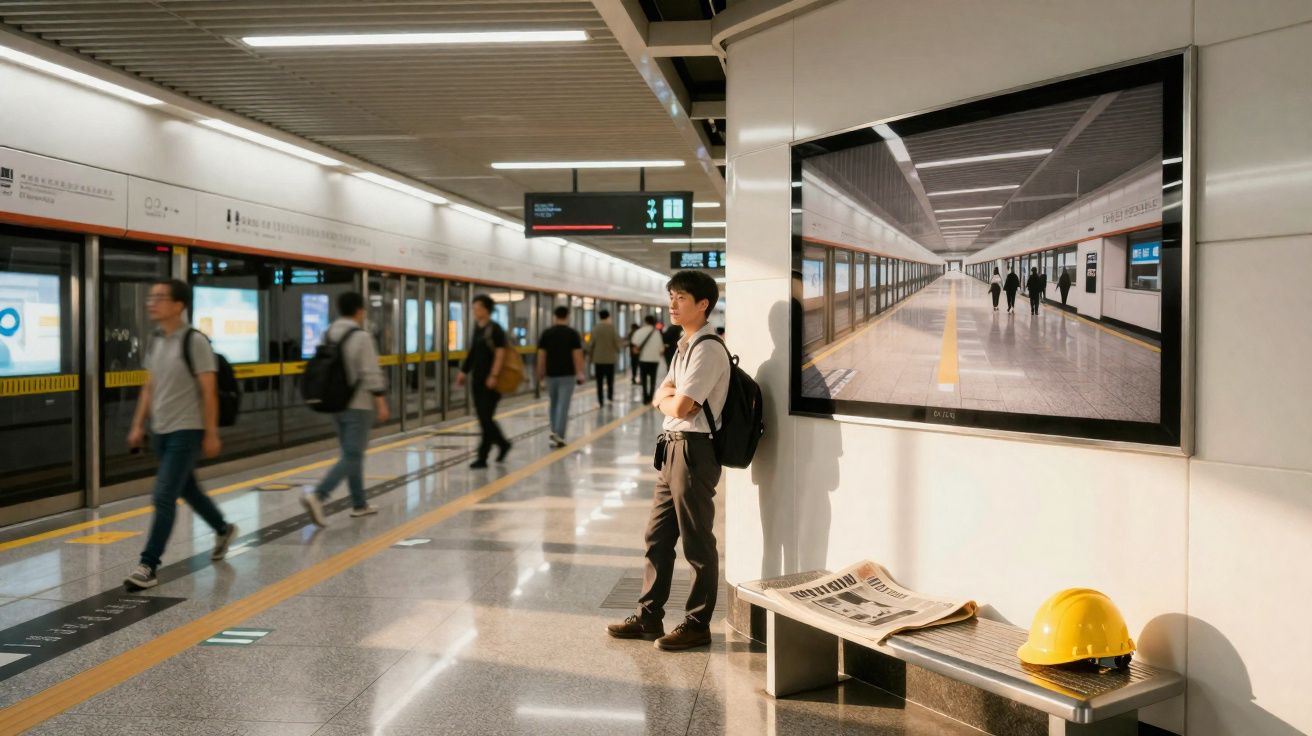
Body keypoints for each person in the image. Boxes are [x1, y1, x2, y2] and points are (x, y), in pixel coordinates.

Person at [607, 270, 729, 651]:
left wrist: (665, 400)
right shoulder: (685, 344)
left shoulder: (708, 348)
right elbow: (665, 392)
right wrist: (667, 398)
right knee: (657, 536)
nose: (672, 304)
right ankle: (648, 616)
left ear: (703, 304)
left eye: (681, 298)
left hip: (694, 451)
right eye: (671, 296)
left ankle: (697, 623)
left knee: (696, 542)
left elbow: (680, 402)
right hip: (673, 446)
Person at [124, 279, 237, 590]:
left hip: (186, 430)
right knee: (189, 489)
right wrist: (138, 424)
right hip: (161, 430)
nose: (152, 302)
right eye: (152, 296)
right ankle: (223, 528)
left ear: (178, 305)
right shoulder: (157, 340)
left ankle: (148, 564)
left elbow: (209, 390)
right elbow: (150, 386)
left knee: (163, 496)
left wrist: (211, 432)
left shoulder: (195, 341)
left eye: (160, 297)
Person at [300, 291, 390, 528]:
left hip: (336, 404)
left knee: (352, 454)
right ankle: (318, 496)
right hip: (358, 405)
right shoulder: (361, 337)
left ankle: (359, 504)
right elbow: (371, 372)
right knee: (352, 455)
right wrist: (380, 401)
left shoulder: (328, 333)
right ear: (359, 311)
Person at [457, 294, 512, 469]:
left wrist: (494, 375)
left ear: (486, 309)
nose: (474, 310)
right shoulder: (477, 328)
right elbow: (473, 352)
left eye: (477, 307)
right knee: (483, 418)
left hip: (492, 381)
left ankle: (483, 456)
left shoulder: (495, 329)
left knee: (486, 417)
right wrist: (464, 371)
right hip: (477, 380)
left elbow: (500, 353)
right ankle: (502, 444)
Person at [536, 306, 586, 447]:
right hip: (567, 375)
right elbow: (577, 355)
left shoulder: (547, 333)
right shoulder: (572, 334)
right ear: (567, 316)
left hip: (551, 375)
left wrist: (540, 374)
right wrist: (580, 373)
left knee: (553, 404)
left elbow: (541, 356)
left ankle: (554, 432)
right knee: (563, 405)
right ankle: (559, 435)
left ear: (555, 316)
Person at [589, 309, 620, 407]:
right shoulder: (612, 328)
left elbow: (591, 344)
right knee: (610, 380)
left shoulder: (595, 328)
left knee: (599, 381)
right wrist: (618, 350)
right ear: (608, 316)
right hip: (610, 359)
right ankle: (610, 398)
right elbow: (617, 343)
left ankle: (600, 400)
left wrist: (590, 356)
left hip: (598, 359)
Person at [630, 315, 664, 404]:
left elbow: (634, 343)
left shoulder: (640, 331)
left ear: (645, 321)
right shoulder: (657, 333)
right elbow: (661, 348)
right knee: (653, 379)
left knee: (643, 379)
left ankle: (645, 398)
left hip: (643, 359)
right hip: (654, 360)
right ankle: (650, 398)